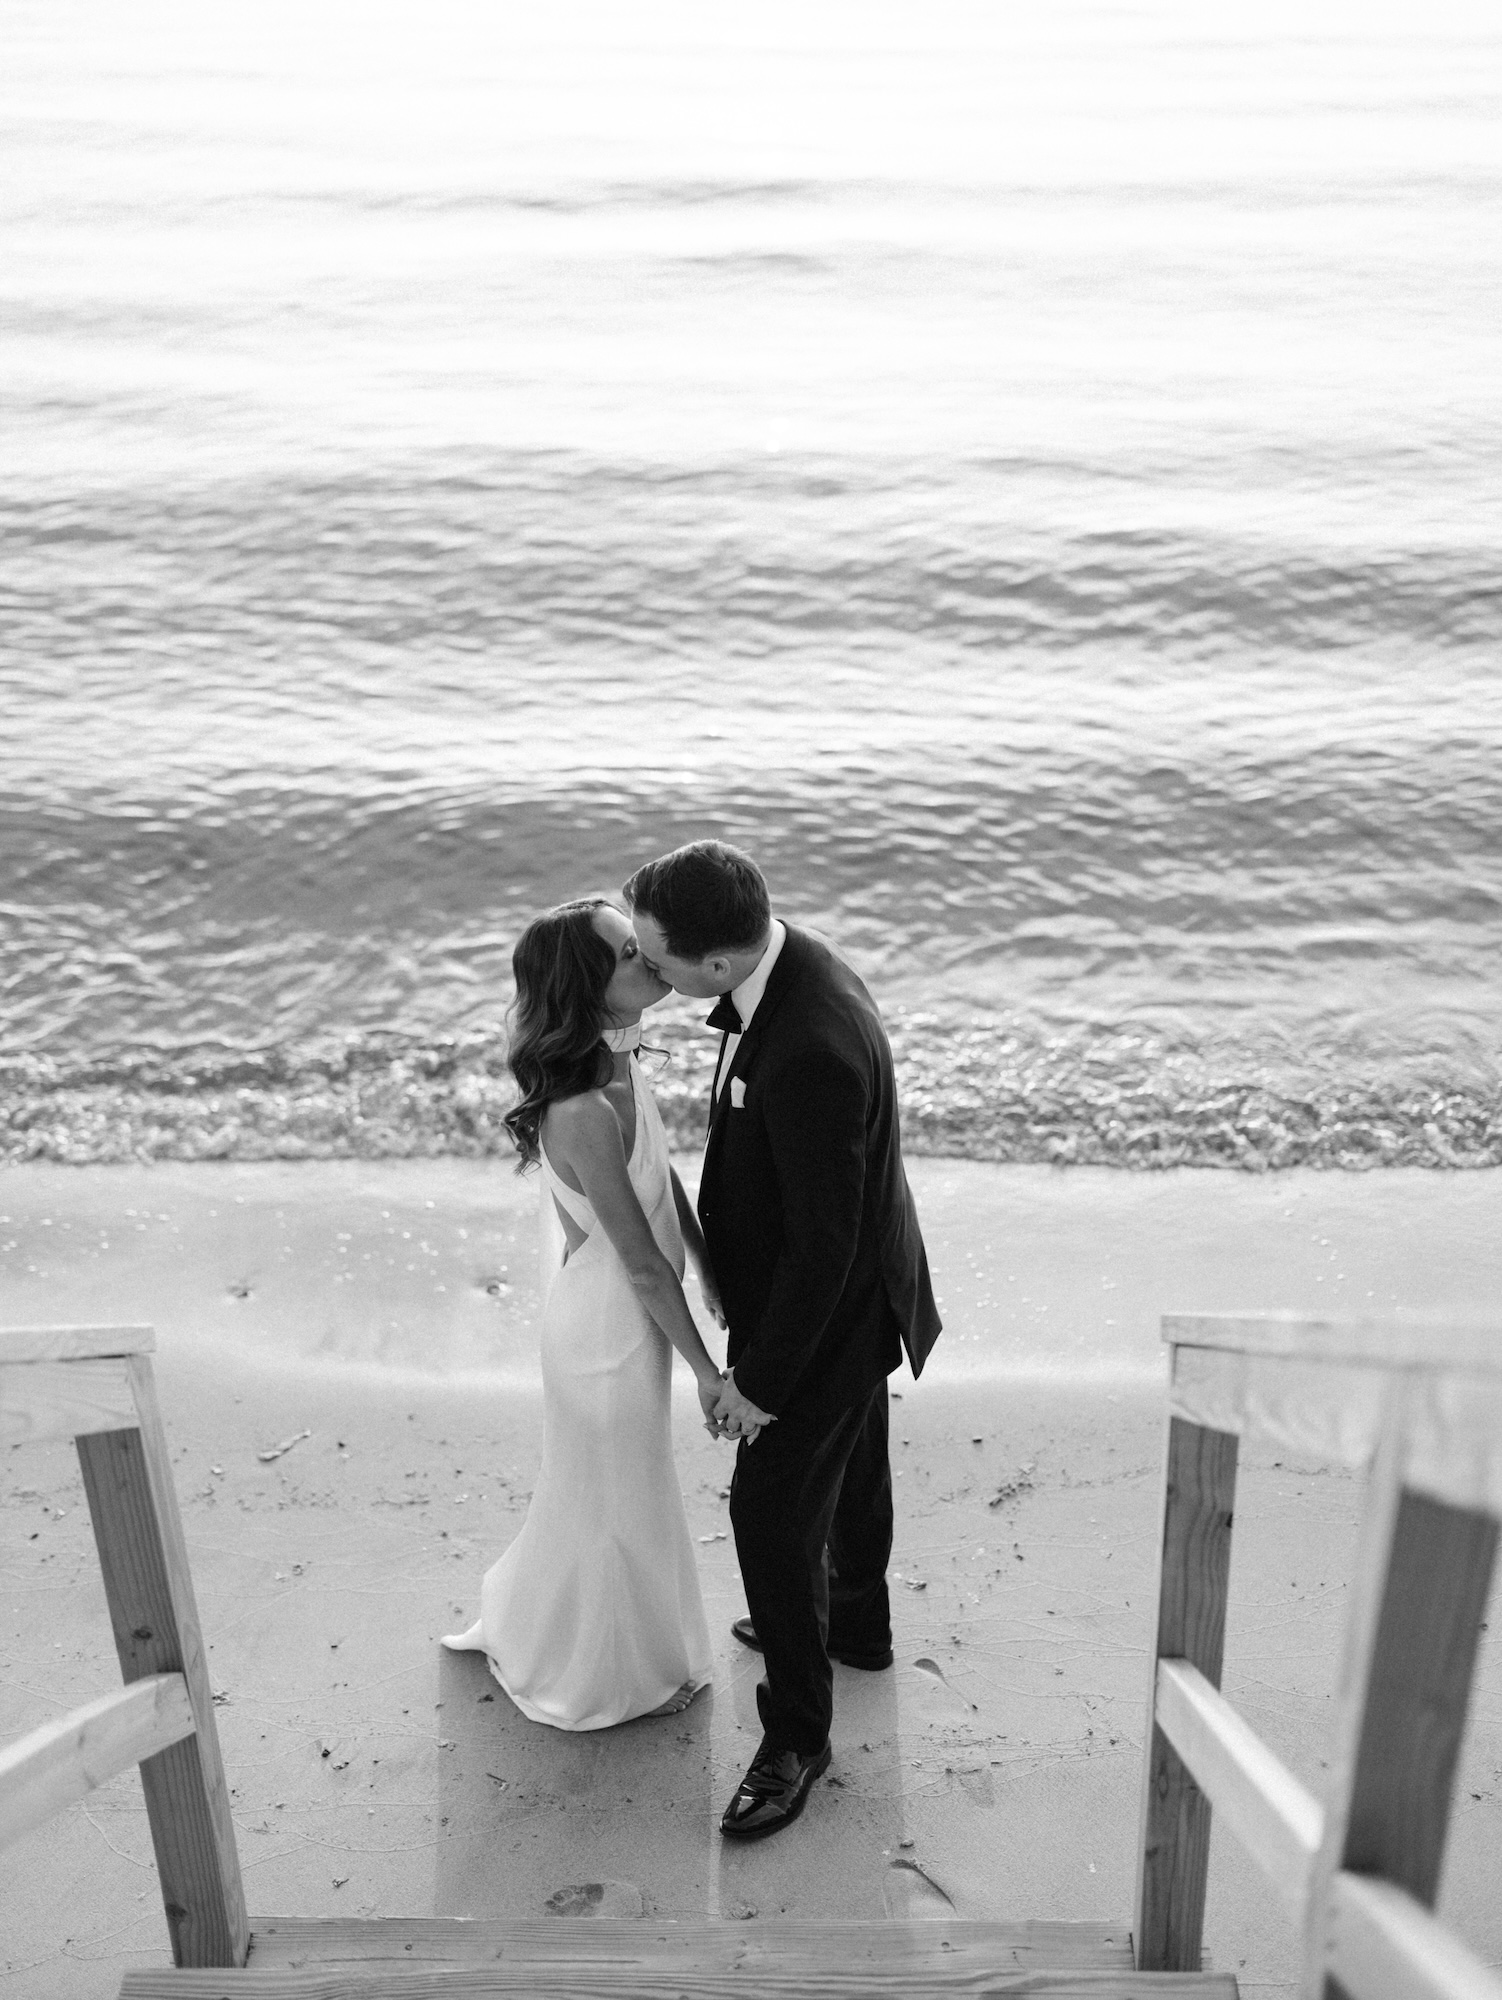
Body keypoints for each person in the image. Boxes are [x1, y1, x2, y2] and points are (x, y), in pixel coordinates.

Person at [624, 841, 942, 1838]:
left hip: (828, 1318)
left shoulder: (806, 1044)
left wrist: (757, 1382)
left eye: (657, 960)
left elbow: (824, 1245)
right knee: (856, 1470)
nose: (649, 974)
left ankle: (796, 1738)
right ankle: (858, 1623)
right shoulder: (787, 963)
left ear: (717, 962)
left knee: (768, 1512)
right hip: (854, 1297)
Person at [441, 898, 725, 1729]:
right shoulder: (581, 1110)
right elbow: (638, 1262)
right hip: (607, 1334)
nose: (651, 959)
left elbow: (659, 1176)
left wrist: (710, 1265)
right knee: (612, 1506)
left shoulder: (622, 1061)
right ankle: (600, 1678)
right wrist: (709, 1373)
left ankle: (607, 1642)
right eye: (630, 953)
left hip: (637, 1319)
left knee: (625, 1493)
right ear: (586, 987)